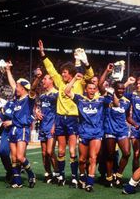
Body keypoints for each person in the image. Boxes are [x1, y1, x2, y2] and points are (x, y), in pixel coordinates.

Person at [38, 39, 94, 187]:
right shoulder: (59, 82)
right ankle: (62, 176)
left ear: (71, 74)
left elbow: (90, 76)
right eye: (62, 72)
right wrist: (43, 54)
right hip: (60, 119)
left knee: (73, 152)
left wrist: (85, 62)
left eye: (65, 72)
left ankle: (74, 177)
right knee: (61, 151)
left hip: (73, 119)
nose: (62, 74)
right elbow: (50, 69)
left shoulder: (79, 82)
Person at [65, 73, 106, 192]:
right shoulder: (80, 99)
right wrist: (74, 79)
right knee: (82, 159)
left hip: (97, 133)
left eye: (94, 88)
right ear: (85, 90)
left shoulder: (101, 99)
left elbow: (114, 99)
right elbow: (67, 91)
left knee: (93, 158)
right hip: (83, 133)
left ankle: (90, 183)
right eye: (90, 88)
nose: (92, 91)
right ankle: (82, 176)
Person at [99, 63, 137, 187]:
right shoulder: (107, 98)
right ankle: (109, 177)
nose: (121, 90)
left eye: (123, 89)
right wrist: (107, 70)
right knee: (109, 156)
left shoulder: (127, 101)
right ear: (115, 89)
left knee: (126, 153)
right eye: (119, 89)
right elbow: (100, 85)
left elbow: (127, 117)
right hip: (109, 130)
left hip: (122, 131)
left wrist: (135, 124)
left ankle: (118, 176)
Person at [1, 62, 37, 188]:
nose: (15, 88)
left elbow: (32, 89)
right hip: (13, 130)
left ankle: (31, 175)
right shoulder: (17, 98)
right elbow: (12, 82)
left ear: (23, 88)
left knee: (21, 157)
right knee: (14, 158)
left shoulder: (29, 99)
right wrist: (8, 70)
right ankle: (17, 181)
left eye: (17, 86)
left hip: (22, 129)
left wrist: (37, 78)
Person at [34, 70, 60, 184]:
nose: (43, 81)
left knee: (50, 151)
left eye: (45, 79)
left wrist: (55, 125)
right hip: (43, 126)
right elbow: (38, 108)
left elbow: (59, 111)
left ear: (51, 80)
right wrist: (37, 112)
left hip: (52, 126)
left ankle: (57, 173)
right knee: (44, 153)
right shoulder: (43, 95)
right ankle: (48, 173)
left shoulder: (56, 94)